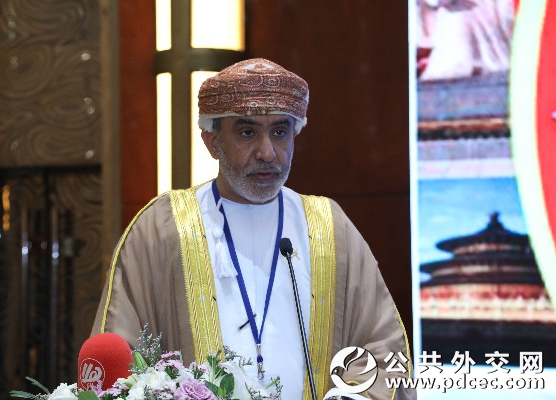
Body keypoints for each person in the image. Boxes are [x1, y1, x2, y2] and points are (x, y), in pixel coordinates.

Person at [91, 58, 415, 400]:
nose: (267, 152)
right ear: (212, 141)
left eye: (280, 132)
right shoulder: (162, 228)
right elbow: (119, 364)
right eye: (248, 133)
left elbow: (383, 349)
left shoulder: (328, 227)